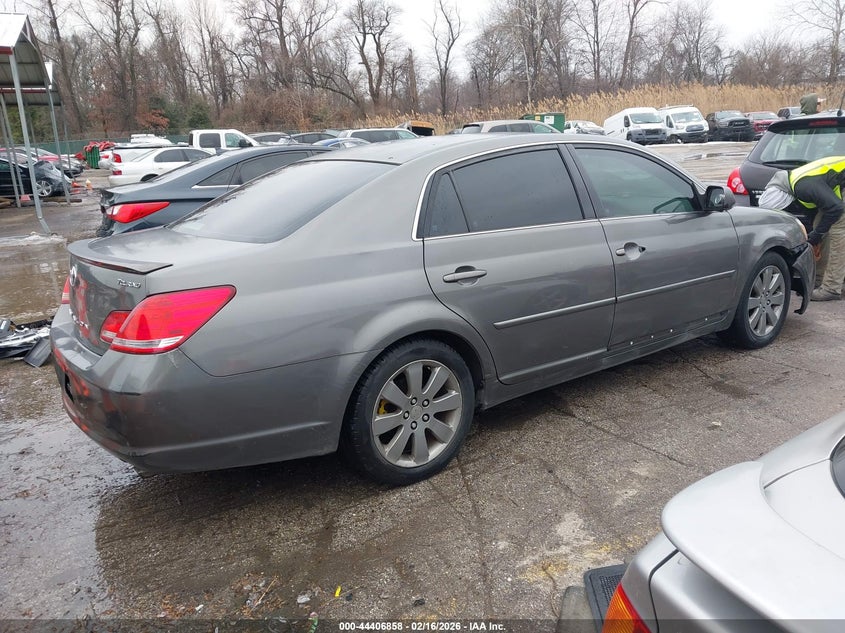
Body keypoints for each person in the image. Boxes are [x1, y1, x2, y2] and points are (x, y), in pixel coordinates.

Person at [784, 156, 845, 300]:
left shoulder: (803, 187)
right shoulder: (797, 184)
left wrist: (817, 234)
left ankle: (831, 288)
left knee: (837, 231)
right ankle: (819, 279)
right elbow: (817, 216)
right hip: (838, 189)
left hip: (839, 196)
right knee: (820, 225)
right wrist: (816, 234)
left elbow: (837, 209)